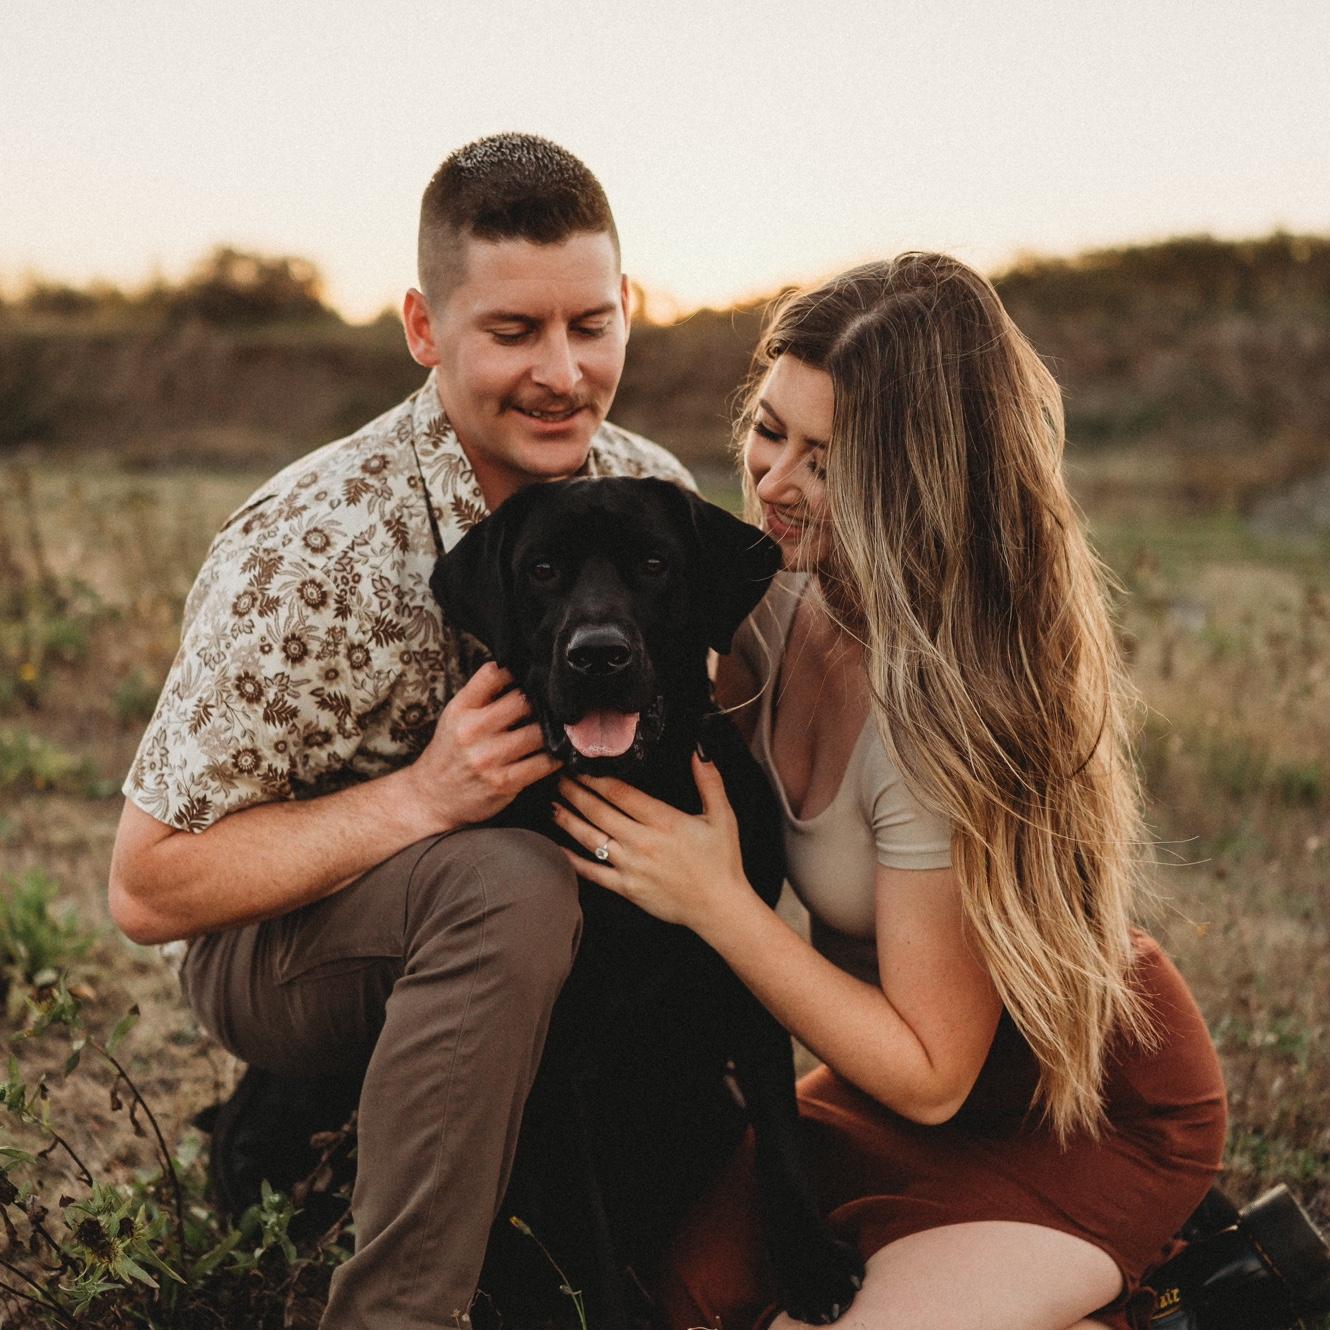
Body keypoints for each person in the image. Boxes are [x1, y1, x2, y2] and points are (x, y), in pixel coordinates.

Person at [552, 253, 1228, 1330]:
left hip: (1078, 1109)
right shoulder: (774, 600)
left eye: (825, 462)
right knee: (680, 1301)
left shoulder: (941, 717)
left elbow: (931, 1074)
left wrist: (715, 900)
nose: (774, 481)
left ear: (914, 482)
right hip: (877, 1089)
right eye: (769, 431)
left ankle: (1182, 1289)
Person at [107, 132, 692, 1329]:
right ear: (424, 328)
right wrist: (419, 799)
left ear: (628, 309)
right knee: (505, 880)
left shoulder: (650, 492)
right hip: (281, 946)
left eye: (589, 325)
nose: (562, 373)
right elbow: (150, 887)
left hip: (555, 950)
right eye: (513, 331)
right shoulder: (311, 547)